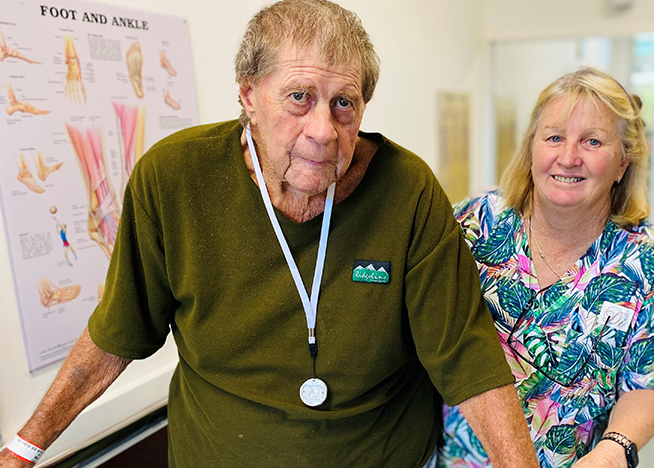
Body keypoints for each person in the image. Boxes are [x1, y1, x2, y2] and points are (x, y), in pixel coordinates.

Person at [0, 2, 539, 467]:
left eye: (343, 103)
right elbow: (118, 332)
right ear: (249, 96)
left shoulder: (406, 188)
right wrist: (24, 450)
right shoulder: (174, 177)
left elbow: (465, 353)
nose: (324, 130)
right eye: (299, 97)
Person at [438, 68, 654, 468]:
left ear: (623, 162)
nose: (568, 157)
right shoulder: (475, 224)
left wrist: (616, 447)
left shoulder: (648, 260)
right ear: (532, 149)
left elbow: (653, 377)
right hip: (457, 457)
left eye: (593, 141)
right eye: (554, 137)